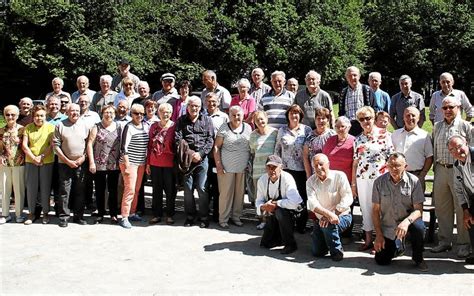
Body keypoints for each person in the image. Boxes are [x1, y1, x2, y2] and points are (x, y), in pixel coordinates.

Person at [431, 96, 472, 258]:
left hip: (459, 171)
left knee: (462, 208)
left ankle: (463, 243)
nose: (448, 110)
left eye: (451, 107)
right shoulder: (437, 126)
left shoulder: (465, 126)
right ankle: (444, 241)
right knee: (442, 208)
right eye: (445, 108)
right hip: (441, 169)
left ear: (458, 108)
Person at [372, 152, 428, 272]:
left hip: (408, 223)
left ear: (405, 166)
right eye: (391, 165)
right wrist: (378, 235)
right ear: (386, 166)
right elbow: (375, 211)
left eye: (397, 165)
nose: (394, 169)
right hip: (388, 226)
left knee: (419, 228)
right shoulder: (379, 182)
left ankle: (418, 258)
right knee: (381, 260)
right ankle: (398, 247)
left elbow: (418, 210)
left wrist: (406, 222)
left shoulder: (414, 181)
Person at [352, 106, 394, 251]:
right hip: (362, 179)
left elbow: (391, 158)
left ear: (373, 118)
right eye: (361, 119)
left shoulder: (385, 135)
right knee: (365, 207)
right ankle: (368, 239)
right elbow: (355, 162)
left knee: (380, 208)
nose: (365, 121)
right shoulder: (358, 139)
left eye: (368, 118)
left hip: (381, 178)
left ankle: (379, 239)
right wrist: (353, 184)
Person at [175, 96, 214, 228]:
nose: (194, 108)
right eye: (192, 105)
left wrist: (201, 154)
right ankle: (190, 216)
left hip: (202, 159)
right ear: (188, 107)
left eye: (197, 106)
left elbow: (210, 140)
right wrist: (191, 154)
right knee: (187, 189)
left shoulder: (207, 120)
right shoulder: (181, 121)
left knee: (202, 188)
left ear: (200, 107)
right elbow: (178, 140)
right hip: (186, 160)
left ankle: (204, 217)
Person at [307, 154, 353, 261]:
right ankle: (326, 237)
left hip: (342, 216)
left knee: (328, 225)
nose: (318, 168)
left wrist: (333, 214)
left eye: (321, 164)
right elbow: (312, 204)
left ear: (328, 164)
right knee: (317, 252)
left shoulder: (339, 176)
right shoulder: (310, 182)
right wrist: (327, 215)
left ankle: (336, 251)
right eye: (315, 165)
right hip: (321, 219)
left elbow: (348, 197)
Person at [275, 104, 312, 233]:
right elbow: (277, 149)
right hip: (286, 169)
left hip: (302, 170)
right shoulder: (282, 130)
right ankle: (288, 224)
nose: (294, 115)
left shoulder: (306, 130)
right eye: (291, 113)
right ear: (288, 116)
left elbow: (309, 151)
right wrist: (277, 167)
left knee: (302, 198)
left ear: (300, 115)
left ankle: (301, 225)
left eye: (296, 113)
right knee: (287, 197)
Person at [213, 106, 251, 228]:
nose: (236, 117)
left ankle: (236, 217)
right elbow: (216, 147)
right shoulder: (224, 127)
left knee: (239, 195)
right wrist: (218, 165)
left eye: (238, 115)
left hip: (242, 167)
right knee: (225, 194)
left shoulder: (248, 128)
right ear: (229, 116)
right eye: (233, 115)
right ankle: (223, 219)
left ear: (243, 115)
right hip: (226, 167)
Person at [256, 155, 303, 254]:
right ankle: (280, 238)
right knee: (265, 244)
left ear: (280, 167)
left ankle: (291, 244)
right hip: (272, 212)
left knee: (279, 212)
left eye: (274, 167)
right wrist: (263, 207)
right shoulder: (262, 180)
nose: (271, 170)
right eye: (269, 167)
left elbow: (294, 202)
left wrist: (276, 203)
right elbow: (258, 201)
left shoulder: (287, 178)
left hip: (293, 211)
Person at [53, 103, 90, 227]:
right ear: (67, 112)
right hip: (64, 163)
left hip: (81, 163)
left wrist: (83, 158)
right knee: (64, 190)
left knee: (80, 190)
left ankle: (78, 216)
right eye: (72, 111)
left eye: (77, 110)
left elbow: (89, 144)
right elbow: (56, 146)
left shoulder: (85, 125)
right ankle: (64, 217)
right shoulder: (60, 125)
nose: (75, 113)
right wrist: (67, 160)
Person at [86, 105, 122, 224]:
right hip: (99, 163)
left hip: (114, 163)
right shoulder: (96, 127)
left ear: (115, 114)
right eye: (106, 112)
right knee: (100, 189)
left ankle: (113, 214)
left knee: (113, 189)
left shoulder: (118, 127)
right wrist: (91, 161)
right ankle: (100, 213)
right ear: (102, 113)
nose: (109, 114)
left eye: (111, 112)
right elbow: (90, 144)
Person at [22, 105, 55, 225]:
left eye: (41, 115)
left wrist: (40, 157)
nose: (39, 118)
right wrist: (34, 158)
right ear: (33, 116)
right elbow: (25, 146)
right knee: (31, 188)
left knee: (45, 188)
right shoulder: (28, 128)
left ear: (45, 115)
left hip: (46, 161)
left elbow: (51, 145)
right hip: (30, 161)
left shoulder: (51, 128)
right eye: (36, 115)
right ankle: (31, 213)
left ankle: (45, 213)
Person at [118, 104, 149, 229]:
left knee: (136, 189)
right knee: (129, 189)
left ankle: (132, 213)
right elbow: (123, 148)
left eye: (142, 113)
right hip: (129, 163)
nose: (140, 116)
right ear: (131, 114)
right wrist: (126, 166)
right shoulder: (128, 127)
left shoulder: (145, 126)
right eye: (137, 113)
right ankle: (124, 216)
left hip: (141, 163)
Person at [146, 103, 176, 225]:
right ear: (158, 113)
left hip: (169, 163)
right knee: (156, 190)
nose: (165, 114)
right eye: (163, 111)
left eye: (168, 112)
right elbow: (149, 146)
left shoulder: (174, 127)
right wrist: (148, 163)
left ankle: (169, 215)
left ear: (171, 113)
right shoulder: (153, 126)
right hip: (154, 162)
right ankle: (156, 214)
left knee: (170, 190)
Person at [391, 107, 433, 191]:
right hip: (398, 176)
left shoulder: (424, 136)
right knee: (398, 203)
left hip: (417, 176)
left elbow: (429, 157)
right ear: (403, 117)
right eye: (407, 115)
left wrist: (423, 174)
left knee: (417, 204)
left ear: (418, 118)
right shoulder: (395, 134)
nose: (410, 118)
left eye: (413, 115)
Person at [249, 111, 278, 229]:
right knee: (260, 197)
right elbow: (252, 151)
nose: (260, 122)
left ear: (266, 119)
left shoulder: (275, 133)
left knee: (272, 196)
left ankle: (272, 221)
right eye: (257, 120)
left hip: (271, 171)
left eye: (262, 119)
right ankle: (262, 220)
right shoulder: (253, 135)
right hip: (258, 170)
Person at [448, 135, 474, 264]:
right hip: (472, 197)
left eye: (459, 146)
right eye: (453, 150)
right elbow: (458, 189)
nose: (457, 151)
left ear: (466, 143)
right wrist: (465, 210)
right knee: (470, 221)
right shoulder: (457, 165)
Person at [206, 93, 229, 222]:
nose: (211, 104)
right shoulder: (202, 115)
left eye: (214, 101)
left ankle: (217, 213)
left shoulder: (224, 117)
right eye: (209, 101)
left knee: (217, 186)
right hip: (205, 156)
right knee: (205, 185)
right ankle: (205, 212)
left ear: (218, 102)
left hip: (218, 156)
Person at [0, 105, 25, 224]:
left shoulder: (22, 129)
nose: (10, 117)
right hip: (4, 164)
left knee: (18, 190)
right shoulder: (1, 130)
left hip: (19, 163)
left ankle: (19, 214)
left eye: (13, 115)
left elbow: (27, 146)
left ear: (17, 115)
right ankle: (5, 214)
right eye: (7, 114)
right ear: (4, 116)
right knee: (4, 189)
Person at [338, 66, 374, 136]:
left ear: (359, 76)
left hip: (364, 125)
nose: (352, 78)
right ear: (346, 78)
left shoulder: (367, 90)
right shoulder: (343, 92)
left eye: (354, 75)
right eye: (349, 76)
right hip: (348, 127)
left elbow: (373, 109)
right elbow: (341, 112)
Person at [303, 107, 336, 178]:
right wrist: (308, 175)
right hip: (315, 174)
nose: (320, 121)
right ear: (315, 120)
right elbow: (305, 156)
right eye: (318, 118)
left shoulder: (333, 135)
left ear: (328, 120)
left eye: (323, 118)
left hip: (330, 173)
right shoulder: (309, 136)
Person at [322, 116, 355, 183]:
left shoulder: (354, 141)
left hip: (347, 181)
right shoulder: (330, 140)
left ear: (349, 127)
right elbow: (324, 159)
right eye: (337, 126)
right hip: (331, 179)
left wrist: (353, 184)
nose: (340, 129)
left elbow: (356, 164)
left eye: (342, 126)